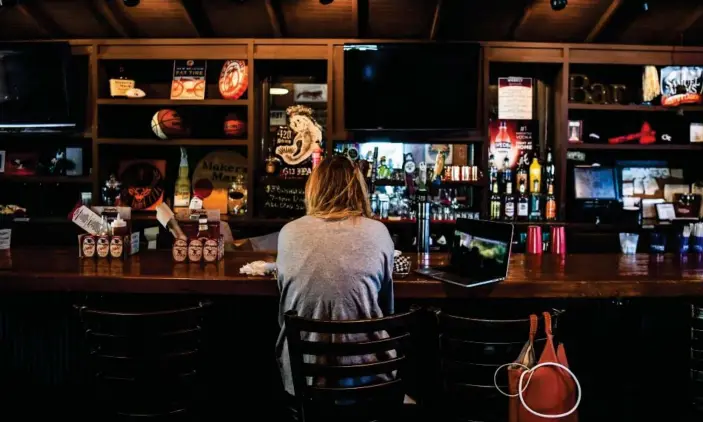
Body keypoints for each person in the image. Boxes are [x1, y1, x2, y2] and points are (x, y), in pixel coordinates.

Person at [275, 155, 395, 400]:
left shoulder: (289, 232)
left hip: (304, 381)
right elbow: (386, 309)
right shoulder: (378, 232)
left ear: (314, 188)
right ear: (358, 189)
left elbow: (285, 306)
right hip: (370, 378)